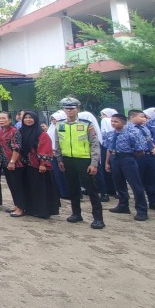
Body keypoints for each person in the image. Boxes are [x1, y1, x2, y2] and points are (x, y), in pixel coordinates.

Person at [54, 97, 104, 229]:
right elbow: (58, 143)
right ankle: (76, 213)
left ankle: (98, 218)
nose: (69, 111)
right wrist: (59, 159)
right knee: (73, 188)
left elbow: (94, 144)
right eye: (66, 108)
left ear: (78, 109)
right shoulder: (60, 124)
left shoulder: (87, 124)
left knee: (92, 190)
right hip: (67, 160)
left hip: (84, 160)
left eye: (72, 108)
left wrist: (94, 163)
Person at [104, 113, 148, 221]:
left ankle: (141, 210)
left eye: (116, 121)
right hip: (115, 158)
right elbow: (109, 149)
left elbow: (140, 150)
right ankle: (123, 205)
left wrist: (131, 160)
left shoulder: (132, 133)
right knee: (119, 184)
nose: (113, 124)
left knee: (135, 185)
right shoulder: (111, 134)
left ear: (123, 122)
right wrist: (107, 162)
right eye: (112, 121)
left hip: (127, 158)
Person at [21, 111, 61, 220]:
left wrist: (43, 164)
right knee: (29, 187)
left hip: (38, 166)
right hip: (26, 165)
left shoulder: (41, 133)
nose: (28, 120)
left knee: (41, 189)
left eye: (30, 118)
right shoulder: (21, 131)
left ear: (35, 119)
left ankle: (43, 211)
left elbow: (45, 148)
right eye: (26, 117)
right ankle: (30, 209)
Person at [128, 109, 155, 213]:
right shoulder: (127, 129)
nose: (144, 118)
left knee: (152, 180)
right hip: (137, 157)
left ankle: (154, 202)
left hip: (149, 156)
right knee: (138, 182)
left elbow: (149, 140)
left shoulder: (144, 127)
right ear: (132, 117)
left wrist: (154, 147)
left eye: (144, 116)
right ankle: (141, 206)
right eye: (141, 116)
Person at [0, 111, 26, 217]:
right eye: (0, 118)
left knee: (18, 186)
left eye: (4, 118)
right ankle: (16, 205)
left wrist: (12, 161)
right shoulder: (1, 131)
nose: (1, 120)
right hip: (5, 163)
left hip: (15, 163)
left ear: (10, 120)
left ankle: (21, 208)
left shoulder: (14, 131)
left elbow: (17, 148)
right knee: (11, 185)